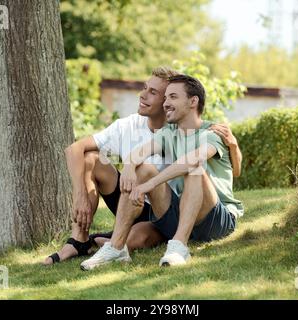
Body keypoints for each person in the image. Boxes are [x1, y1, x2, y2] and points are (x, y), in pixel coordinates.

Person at [43, 68, 239, 265]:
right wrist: (129, 168)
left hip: (214, 220)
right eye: (166, 97)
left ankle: (178, 247)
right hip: (177, 212)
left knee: (194, 170)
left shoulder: (212, 133)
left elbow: (192, 161)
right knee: (141, 168)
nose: (167, 103)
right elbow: (138, 154)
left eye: (172, 97)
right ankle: (114, 247)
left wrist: (148, 185)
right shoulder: (168, 133)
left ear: (192, 101)